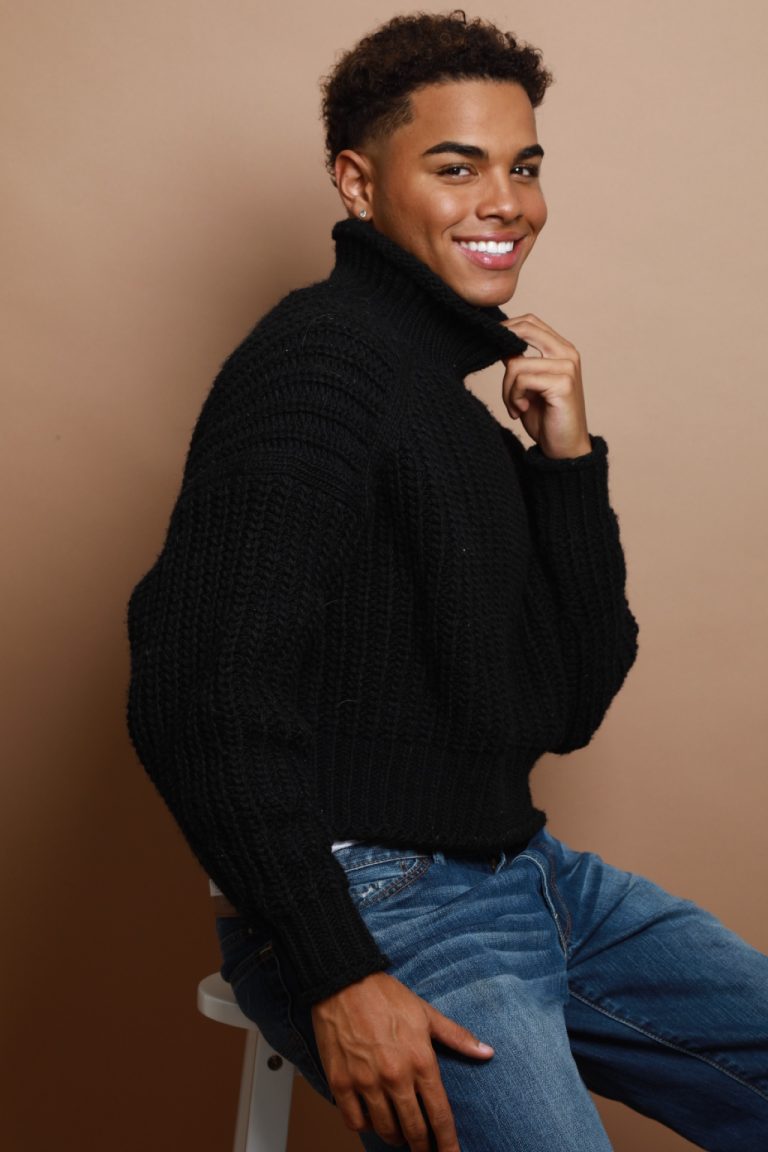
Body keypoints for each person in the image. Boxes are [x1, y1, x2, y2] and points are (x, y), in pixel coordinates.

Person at [126, 12, 768, 1151]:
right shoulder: (318, 367)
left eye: (524, 166)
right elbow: (195, 693)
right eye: (457, 167)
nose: (506, 202)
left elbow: (568, 705)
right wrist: (335, 971)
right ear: (358, 183)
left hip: (531, 874)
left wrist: (567, 464)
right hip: (365, 900)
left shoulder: (451, 408)